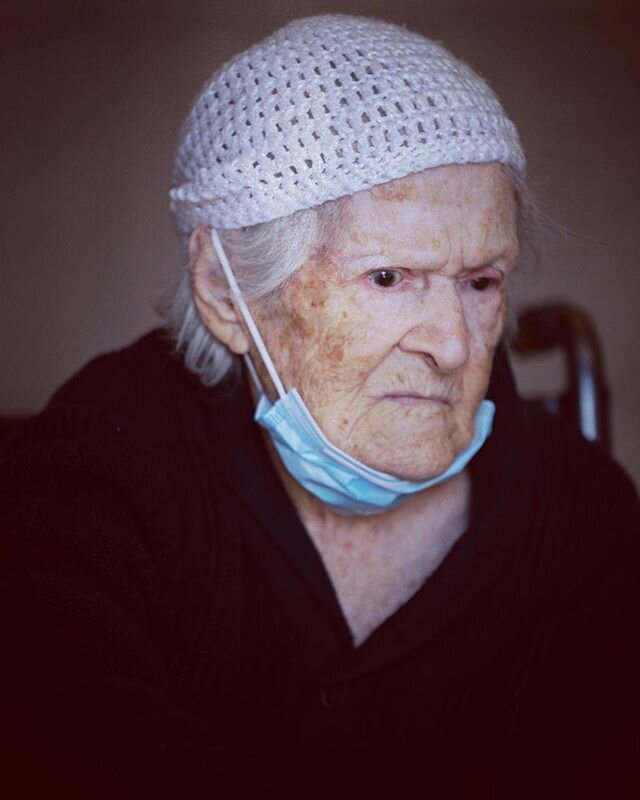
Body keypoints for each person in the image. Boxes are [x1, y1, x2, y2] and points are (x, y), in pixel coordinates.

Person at [1, 14, 638, 799]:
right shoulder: (98, 468)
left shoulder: (584, 515)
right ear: (225, 295)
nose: (453, 345)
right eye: (388, 278)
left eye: (480, 282)